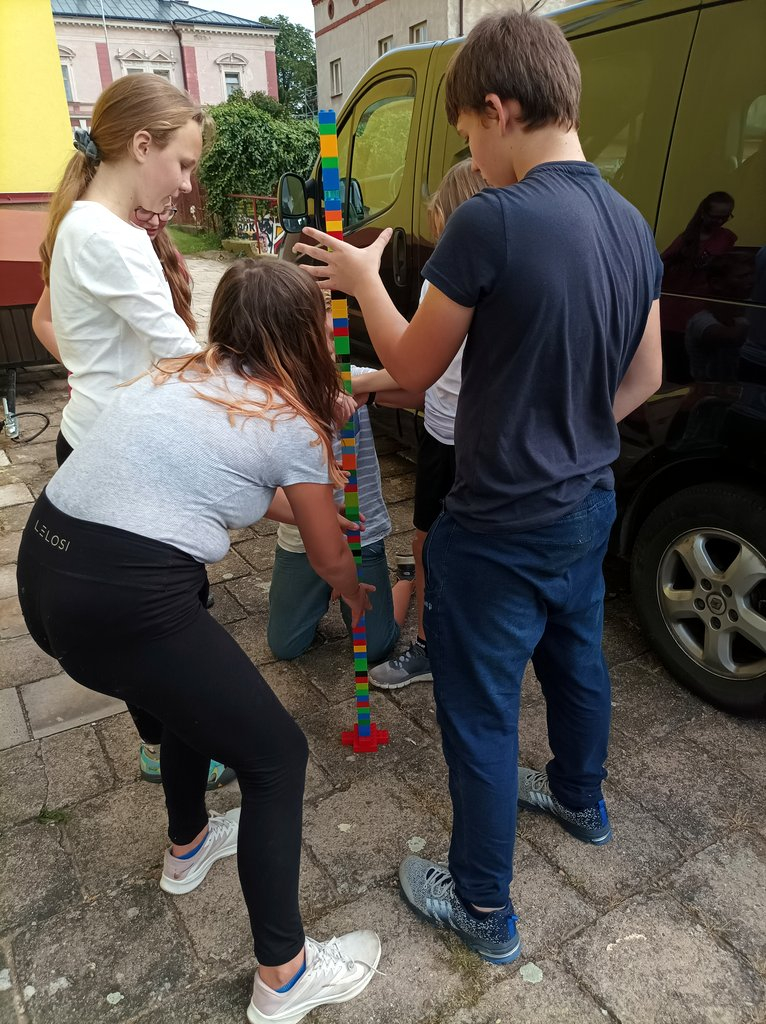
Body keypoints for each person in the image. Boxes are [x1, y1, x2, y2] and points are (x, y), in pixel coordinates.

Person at [294, 10, 663, 965]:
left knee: (482, 713)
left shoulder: (492, 220)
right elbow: (647, 376)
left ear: (498, 109)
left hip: (497, 526)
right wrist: (570, 433)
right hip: (587, 504)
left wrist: (361, 276)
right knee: (578, 662)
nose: (474, 156)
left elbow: (414, 368)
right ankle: (581, 801)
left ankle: (484, 909)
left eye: (467, 133)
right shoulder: (632, 223)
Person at [16, 259, 382, 1022]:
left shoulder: (180, 374)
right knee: (276, 757)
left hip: (47, 569)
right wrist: (352, 589)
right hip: (125, 599)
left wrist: (312, 503)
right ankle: (285, 976)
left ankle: (188, 845)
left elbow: (217, 477)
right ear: (301, 333)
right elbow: (328, 559)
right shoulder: (288, 422)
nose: (329, 334)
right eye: (321, 323)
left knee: (182, 695)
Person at [33, 74, 236, 791]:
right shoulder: (109, 238)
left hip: (98, 440)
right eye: (182, 163)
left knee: (149, 616)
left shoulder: (87, 224)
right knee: (165, 622)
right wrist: (282, 396)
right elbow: (183, 355)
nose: (185, 184)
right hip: (121, 462)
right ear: (141, 145)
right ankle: (170, 748)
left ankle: (162, 741)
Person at [358, 160, 485, 689]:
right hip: (455, 433)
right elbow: (426, 382)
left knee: (431, 544)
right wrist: (366, 388)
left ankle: (433, 647)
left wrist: (359, 383)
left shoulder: (447, 280)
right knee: (439, 544)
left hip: (457, 442)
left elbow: (414, 368)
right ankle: (447, 635)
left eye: (438, 221)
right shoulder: (494, 270)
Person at [267, 296, 422, 663]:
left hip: (359, 529)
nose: (331, 346)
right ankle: (326, 585)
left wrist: (361, 384)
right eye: (319, 337)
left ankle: (407, 580)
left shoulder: (349, 375)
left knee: (375, 647)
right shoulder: (272, 395)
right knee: (285, 645)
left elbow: (421, 388)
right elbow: (263, 489)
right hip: (302, 535)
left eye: (333, 334)